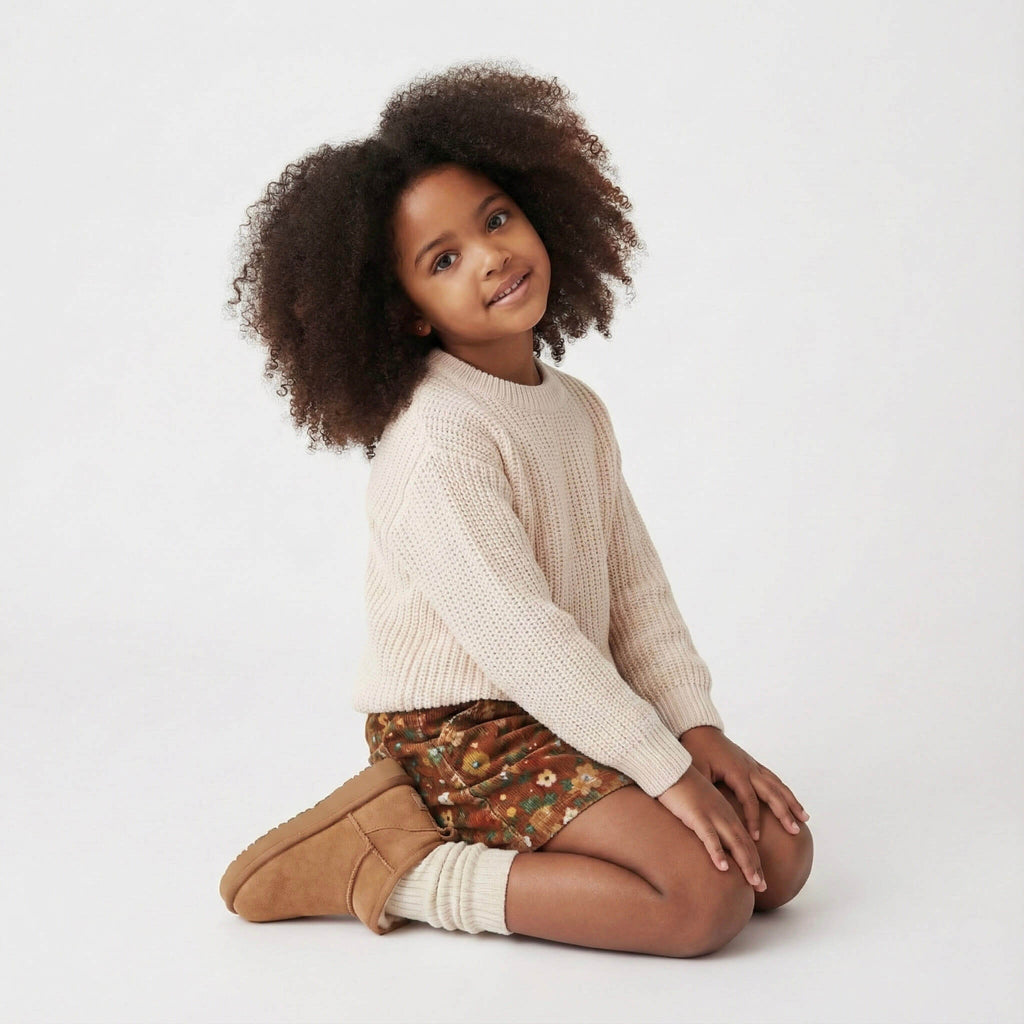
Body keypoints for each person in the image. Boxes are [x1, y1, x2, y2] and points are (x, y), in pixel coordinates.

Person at [218, 60, 813, 958]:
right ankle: (398, 866)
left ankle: (590, 820)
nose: (491, 255)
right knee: (702, 903)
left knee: (783, 856)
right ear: (407, 311)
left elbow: (633, 589)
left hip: (566, 698)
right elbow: (523, 639)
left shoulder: (574, 409)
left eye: (496, 219)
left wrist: (695, 732)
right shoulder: (438, 443)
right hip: (463, 729)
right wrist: (663, 772)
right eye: (444, 259)